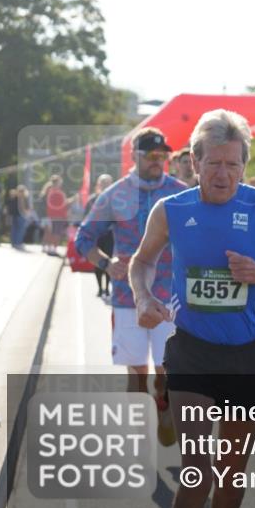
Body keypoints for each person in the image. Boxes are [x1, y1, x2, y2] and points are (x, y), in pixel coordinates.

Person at [129, 109, 255, 508]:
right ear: (195, 163)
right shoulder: (170, 209)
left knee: (231, 476)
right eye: (214, 163)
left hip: (249, 355)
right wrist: (143, 296)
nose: (223, 174)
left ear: (245, 166)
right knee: (197, 470)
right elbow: (142, 261)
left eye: (233, 164)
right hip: (192, 351)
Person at [76, 129, 187, 444]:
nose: (158, 161)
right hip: (127, 299)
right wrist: (106, 264)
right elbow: (84, 238)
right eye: (151, 156)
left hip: (169, 299)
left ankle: (163, 403)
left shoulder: (180, 193)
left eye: (162, 156)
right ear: (135, 156)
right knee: (136, 374)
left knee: (165, 371)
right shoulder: (115, 194)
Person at [83, 173, 115, 297]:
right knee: (97, 261)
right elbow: (86, 216)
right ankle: (99, 288)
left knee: (108, 260)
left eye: (107, 183)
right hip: (96, 235)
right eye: (103, 183)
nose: (105, 186)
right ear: (98, 185)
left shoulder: (117, 200)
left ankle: (107, 287)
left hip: (110, 235)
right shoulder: (92, 200)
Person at [41, 175, 69, 256]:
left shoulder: (49, 191)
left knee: (50, 232)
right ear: (57, 182)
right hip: (57, 216)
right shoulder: (57, 192)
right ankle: (52, 248)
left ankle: (50, 247)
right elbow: (63, 204)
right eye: (60, 182)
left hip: (51, 216)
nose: (61, 184)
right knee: (55, 233)